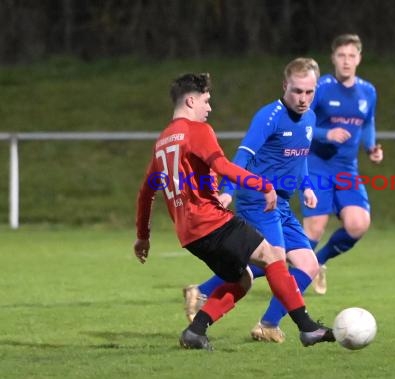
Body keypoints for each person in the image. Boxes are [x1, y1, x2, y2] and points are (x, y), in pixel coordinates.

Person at [134, 72, 334, 351]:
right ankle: (306, 328)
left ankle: (195, 330)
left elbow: (146, 193)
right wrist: (262, 184)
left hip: (188, 234)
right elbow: (224, 167)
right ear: (191, 101)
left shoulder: (162, 142)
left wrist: (143, 237)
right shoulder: (198, 131)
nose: (209, 108)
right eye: (206, 101)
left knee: (243, 279)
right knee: (272, 256)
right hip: (210, 220)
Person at [183, 58, 323, 343]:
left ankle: (261, 319)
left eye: (309, 92)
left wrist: (307, 187)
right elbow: (243, 155)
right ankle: (264, 321)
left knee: (309, 265)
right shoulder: (269, 116)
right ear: (285, 86)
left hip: (281, 204)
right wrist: (227, 191)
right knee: (277, 262)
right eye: (297, 91)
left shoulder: (310, 118)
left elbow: (301, 158)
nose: (303, 98)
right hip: (256, 199)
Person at [302, 34, 383, 295]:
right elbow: (302, 124)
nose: (346, 61)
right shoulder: (320, 88)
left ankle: (318, 262)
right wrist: (327, 134)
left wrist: (371, 147)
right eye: (341, 55)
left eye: (351, 55)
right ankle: (291, 281)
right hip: (316, 165)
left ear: (359, 58)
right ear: (333, 58)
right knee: (314, 229)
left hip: (347, 169)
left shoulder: (368, 91)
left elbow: (367, 122)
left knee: (358, 224)